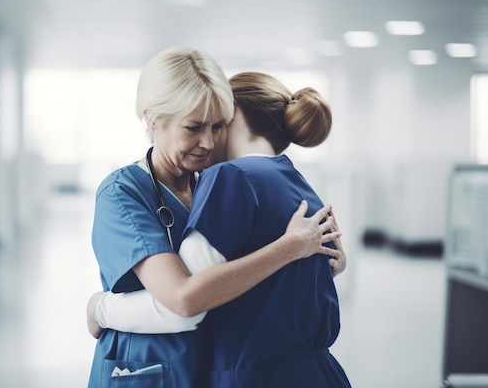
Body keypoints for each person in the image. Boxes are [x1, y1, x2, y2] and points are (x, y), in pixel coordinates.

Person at [86, 48, 344, 388]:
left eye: (218, 126)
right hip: (146, 368)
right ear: (153, 119)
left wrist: (316, 264)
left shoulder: (216, 182)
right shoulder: (123, 192)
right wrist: (99, 310)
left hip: (208, 368)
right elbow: (183, 299)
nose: (207, 142)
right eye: (194, 127)